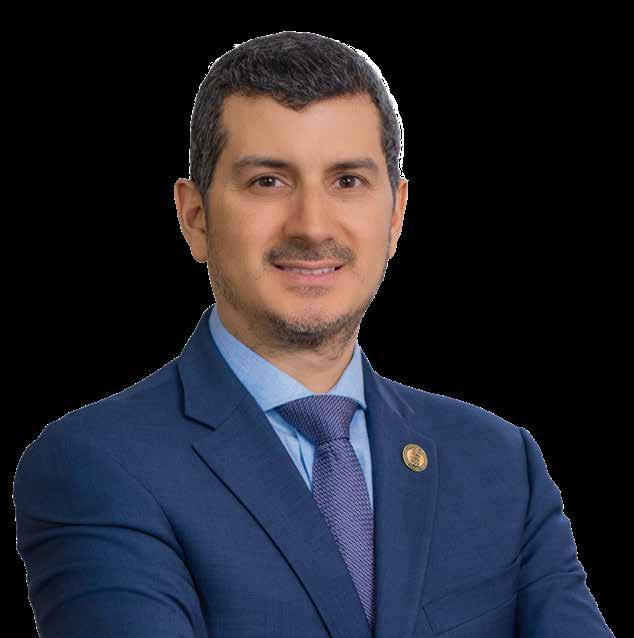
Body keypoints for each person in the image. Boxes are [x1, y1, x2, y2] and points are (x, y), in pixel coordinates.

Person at [13, 31, 613, 638]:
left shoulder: (500, 462)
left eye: (347, 180)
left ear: (396, 214)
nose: (312, 226)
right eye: (268, 181)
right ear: (195, 217)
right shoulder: (99, 465)